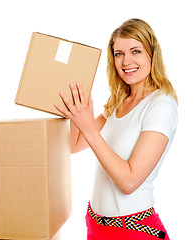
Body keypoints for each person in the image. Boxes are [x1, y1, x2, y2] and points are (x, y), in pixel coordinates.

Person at [55, 18, 177, 239]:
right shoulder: (118, 102)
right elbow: (74, 145)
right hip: (95, 225)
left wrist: (89, 128)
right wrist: (76, 107)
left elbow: (129, 181)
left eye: (135, 51)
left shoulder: (161, 105)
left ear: (152, 54)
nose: (126, 61)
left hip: (132, 230)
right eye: (118, 53)